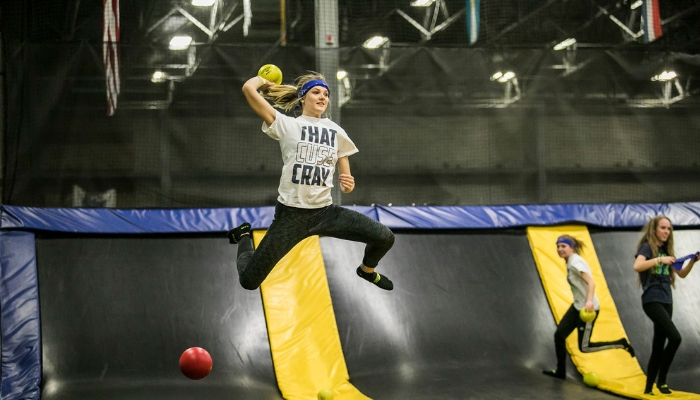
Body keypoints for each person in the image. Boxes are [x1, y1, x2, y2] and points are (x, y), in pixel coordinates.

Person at [226, 71, 395, 291]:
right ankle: (244, 234)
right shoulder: (287, 125)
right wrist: (263, 79)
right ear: (302, 97)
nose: (323, 97)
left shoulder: (334, 129)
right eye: (316, 92)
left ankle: (366, 270)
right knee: (249, 282)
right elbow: (249, 88)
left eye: (326, 94)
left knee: (385, 237)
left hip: (325, 213)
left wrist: (347, 178)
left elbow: (342, 153)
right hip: (291, 216)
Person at [543, 235, 635, 380]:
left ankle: (621, 343)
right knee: (559, 335)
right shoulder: (570, 261)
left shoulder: (575, 262)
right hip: (577, 307)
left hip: (588, 310)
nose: (560, 249)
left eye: (563, 246)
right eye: (558, 246)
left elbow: (591, 283)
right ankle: (561, 371)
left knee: (584, 347)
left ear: (571, 248)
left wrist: (590, 301)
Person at [633, 216, 698, 395]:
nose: (666, 232)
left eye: (669, 229)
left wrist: (692, 260)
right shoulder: (647, 247)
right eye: (663, 228)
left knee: (658, 344)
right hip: (652, 300)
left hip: (667, 300)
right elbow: (637, 266)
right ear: (654, 229)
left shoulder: (667, 250)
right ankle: (661, 380)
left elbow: (681, 273)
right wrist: (659, 260)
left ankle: (650, 388)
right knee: (675, 337)